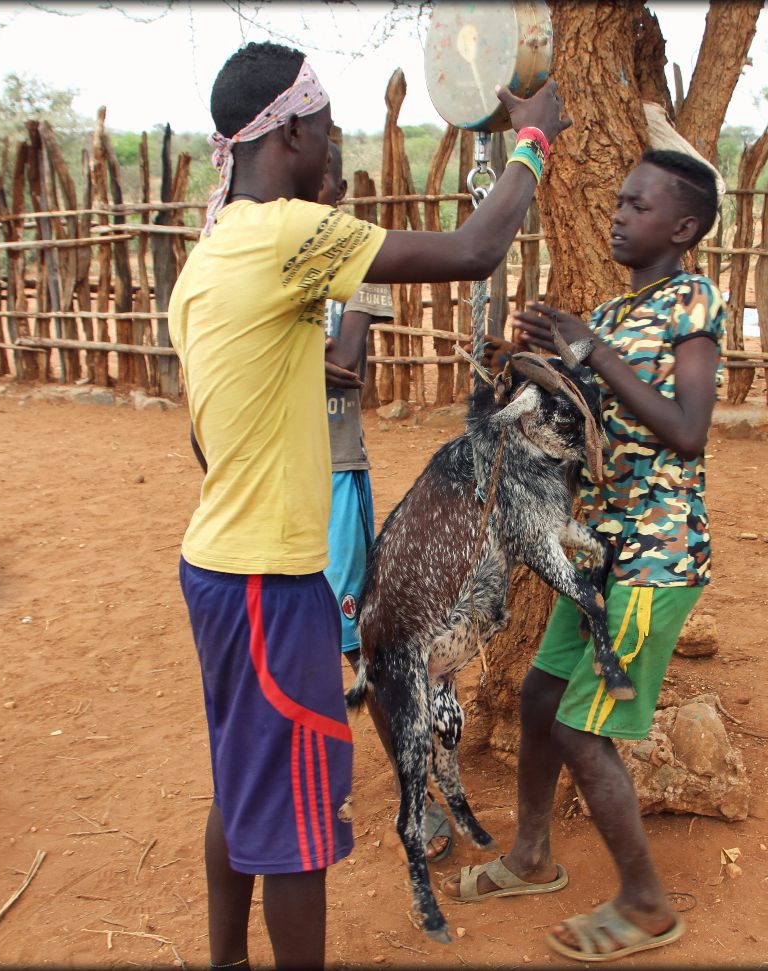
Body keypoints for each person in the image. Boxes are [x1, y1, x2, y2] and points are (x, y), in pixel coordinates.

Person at [171, 40, 567, 969]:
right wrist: (534, 142)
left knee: (242, 786)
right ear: (292, 132)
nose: (341, 133)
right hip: (268, 581)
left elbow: (201, 438)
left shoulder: (208, 256)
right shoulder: (284, 234)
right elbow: (477, 250)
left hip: (219, 568)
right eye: (329, 119)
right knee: (297, 820)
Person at [440, 148, 725, 963]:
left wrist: (588, 349)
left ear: (683, 227)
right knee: (538, 696)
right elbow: (590, 427)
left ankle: (645, 902)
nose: (619, 213)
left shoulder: (690, 302)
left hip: (653, 561)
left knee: (580, 728)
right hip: (602, 555)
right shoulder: (614, 310)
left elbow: (686, 428)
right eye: (619, 200)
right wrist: (533, 366)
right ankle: (531, 855)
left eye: (638, 205)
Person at [315, 140, 453, 863]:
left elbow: (344, 372)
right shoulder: (262, 251)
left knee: (359, 642)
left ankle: (417, 796)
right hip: (285, 478)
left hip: (335, 471)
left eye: (333, 174)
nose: (327, 183)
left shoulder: (353, 258)